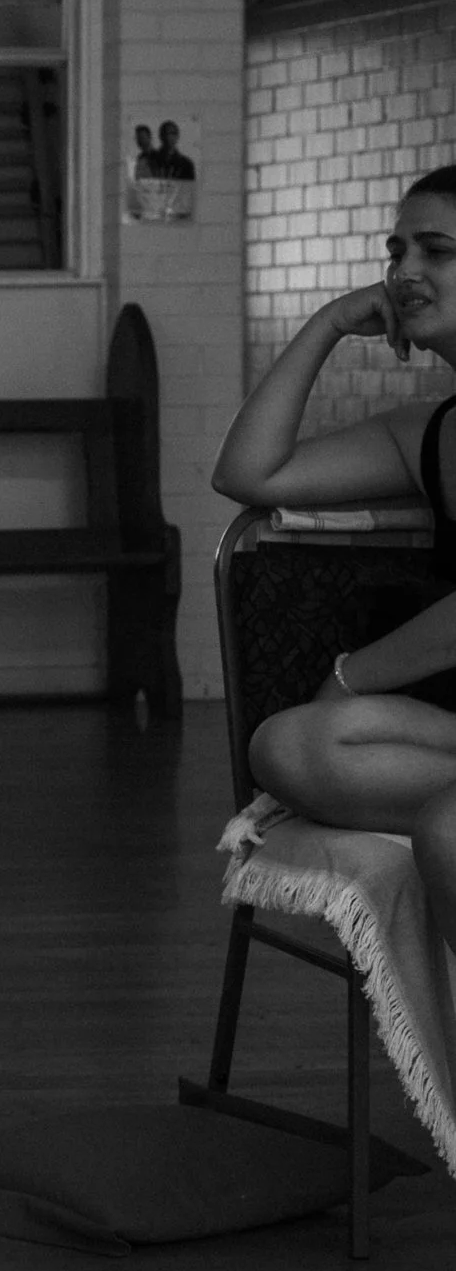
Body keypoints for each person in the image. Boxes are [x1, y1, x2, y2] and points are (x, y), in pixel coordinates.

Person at [214, 164, 456, 951]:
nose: (404, 272)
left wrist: (352, 674)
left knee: (447, 831)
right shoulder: (431, 431)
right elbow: (249, 473)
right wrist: (325, 325)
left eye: (436, 250)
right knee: (284, 745)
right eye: (396, 251)